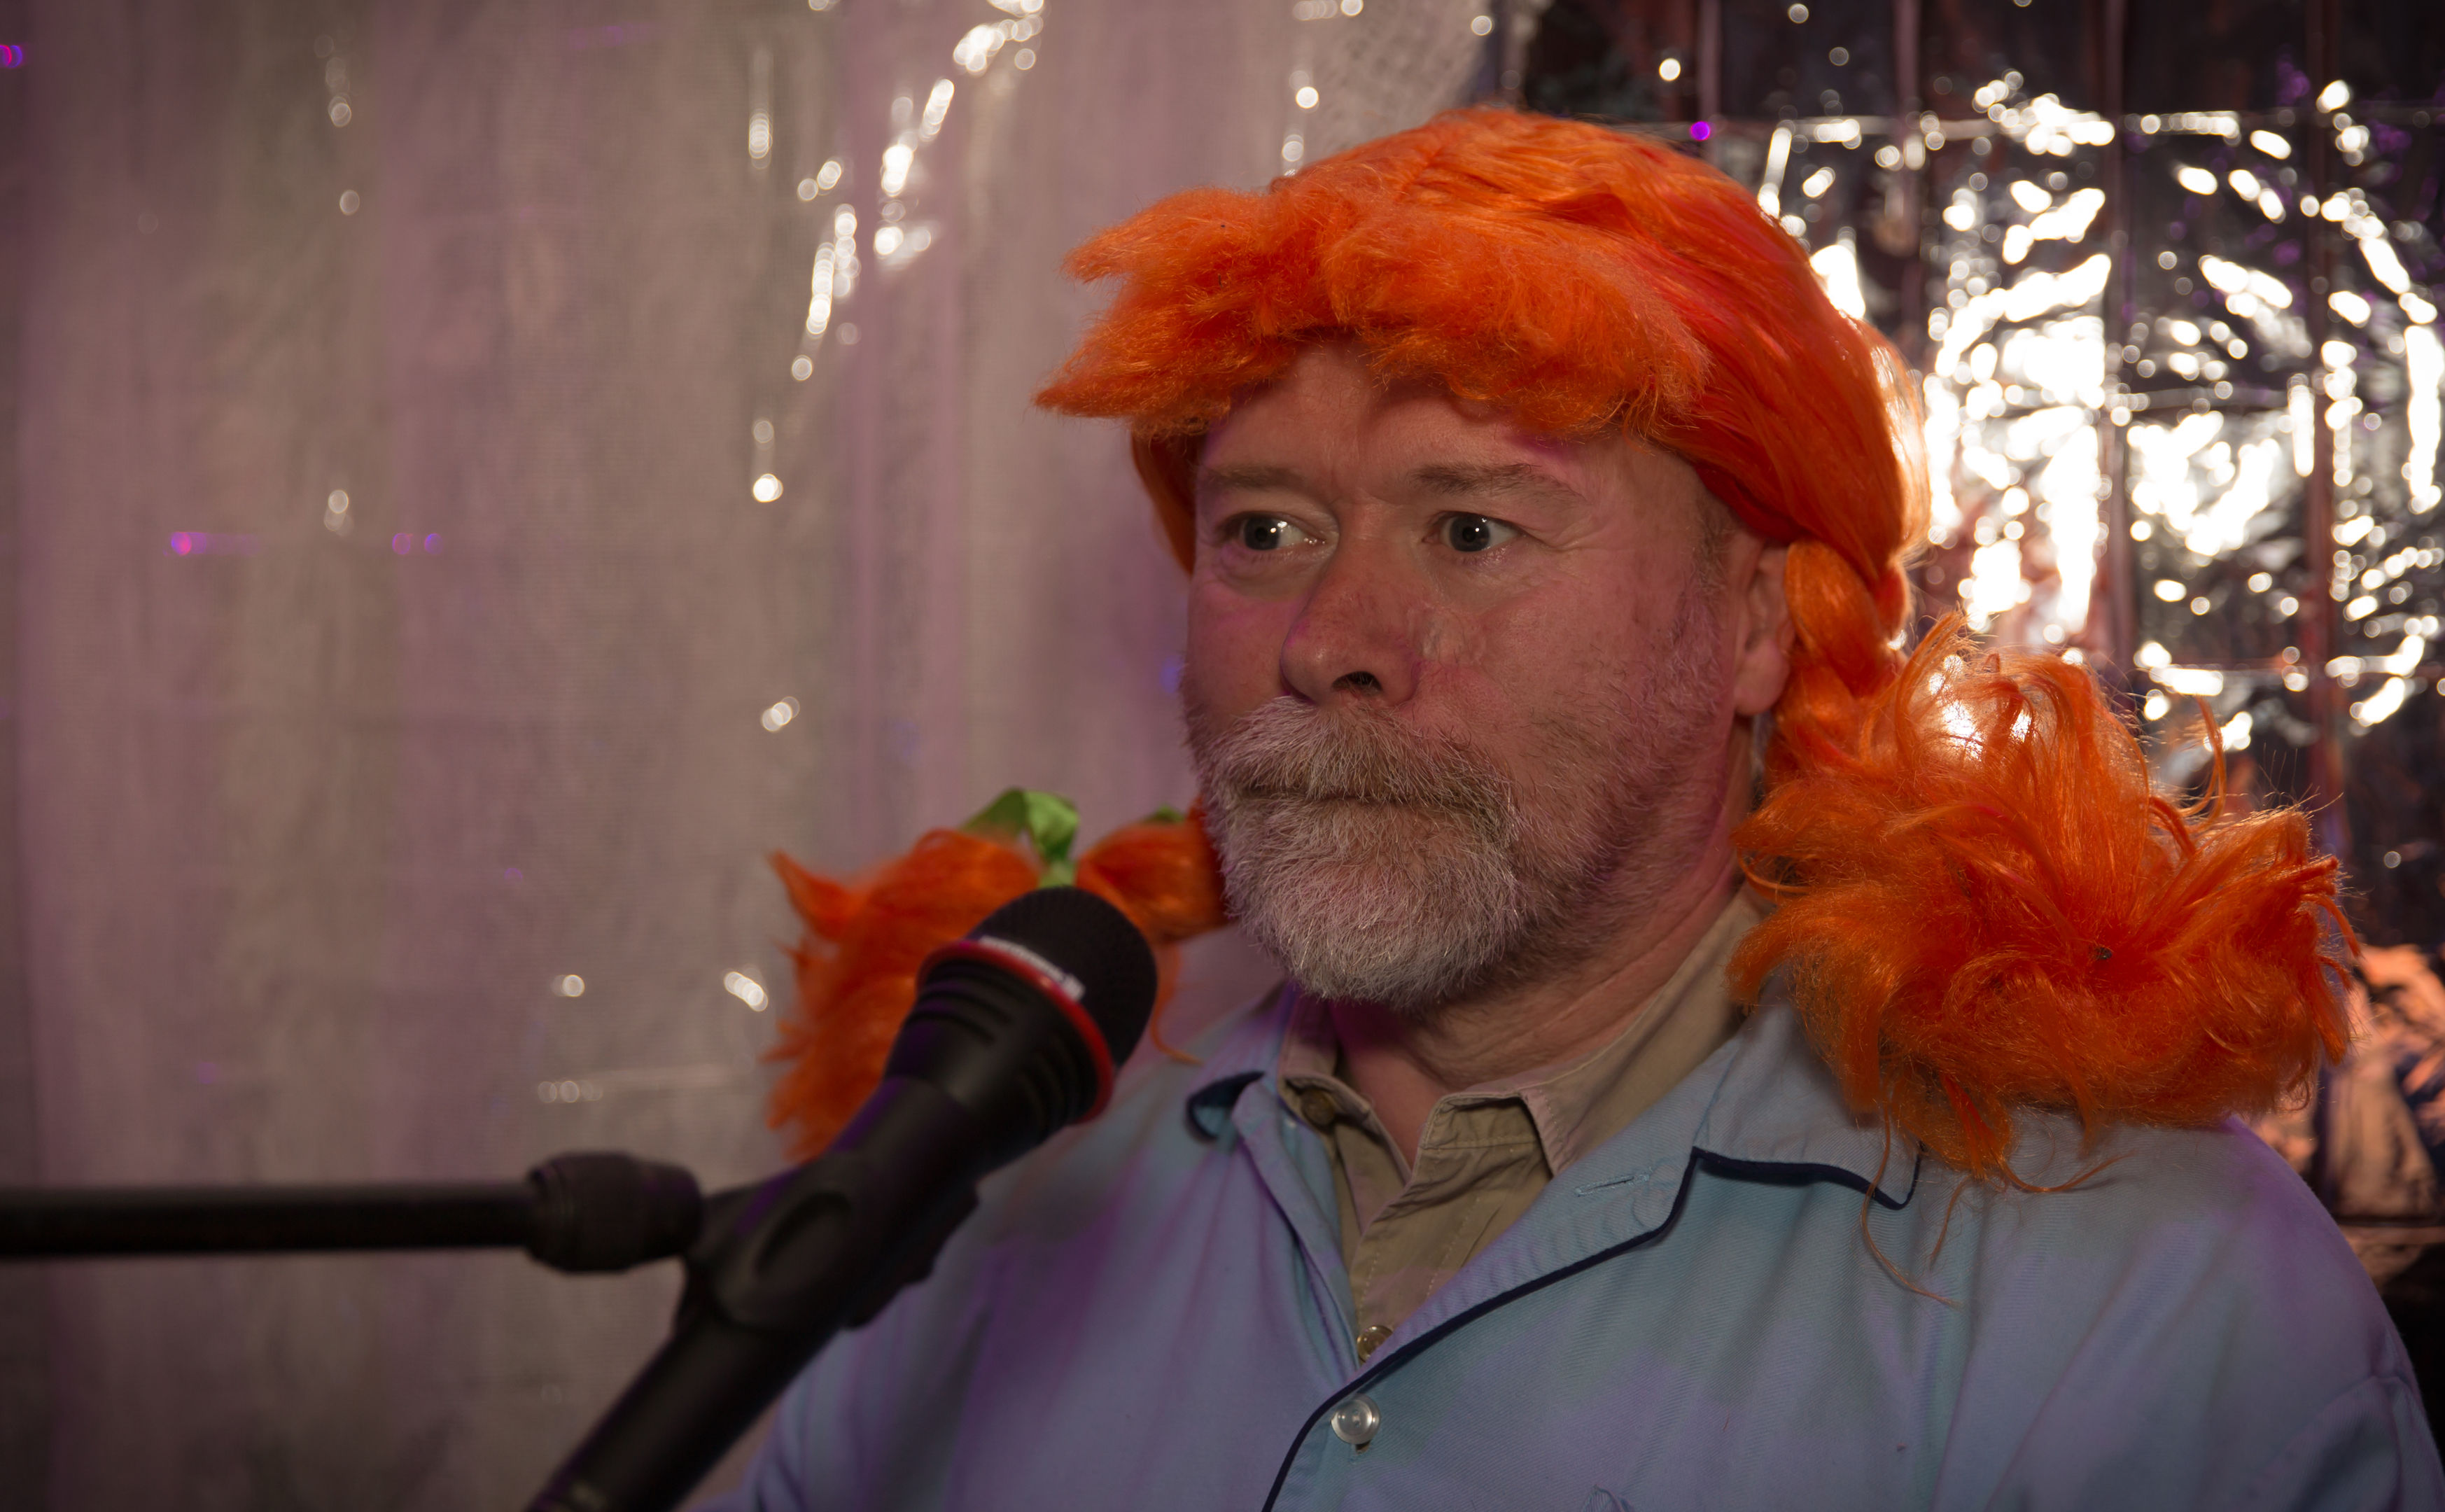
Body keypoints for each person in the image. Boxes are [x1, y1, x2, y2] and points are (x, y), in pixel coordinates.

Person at [718, 108, 2442, 1509]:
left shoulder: (2143, 1300)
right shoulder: (991, 1218)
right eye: (1264, 532)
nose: (1327, 643)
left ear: (1756, 626)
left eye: (1471, 529)